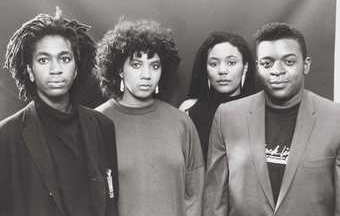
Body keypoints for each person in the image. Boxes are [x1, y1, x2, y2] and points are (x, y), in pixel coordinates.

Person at [204, 22, 340, 216]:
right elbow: (214, 201)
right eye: (267, 63)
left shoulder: (335, 118)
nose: (277, 70)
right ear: (258, 67)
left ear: (306, 65)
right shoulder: (227, 116)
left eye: (289, 61)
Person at [0, 7, 119, 216]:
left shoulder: (102, 126)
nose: (56, 69)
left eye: (65, 58)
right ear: (29, 71)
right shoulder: (7, 135)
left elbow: (110, 202)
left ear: (76, 68)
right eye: (44, 60)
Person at [96, 18, 204, 216]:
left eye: (154, 66)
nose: (147, 74)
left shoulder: (181, 122)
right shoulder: (97, 122)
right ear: (119, 69)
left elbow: (195, 195)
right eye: (136, 65)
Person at [179, 31, 255, 163]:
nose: (222, 70)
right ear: (206, 69)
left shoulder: (258, 110)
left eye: (231, 63)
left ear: (245, 67)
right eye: (214, 64)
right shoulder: (188, 109)